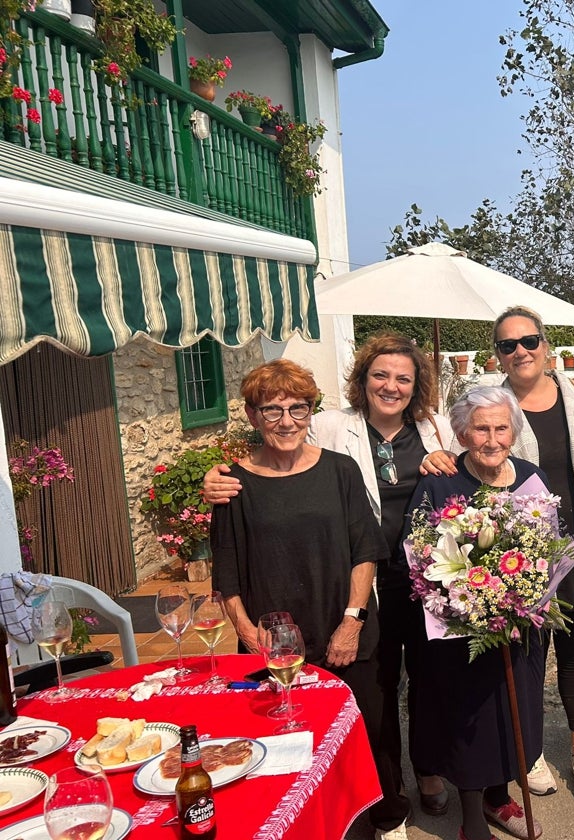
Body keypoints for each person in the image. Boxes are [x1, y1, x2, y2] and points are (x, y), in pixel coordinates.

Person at [204, 335, 454, 839]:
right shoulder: (233, 483)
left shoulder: (340, 469)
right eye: (271, 411)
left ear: (310, 412)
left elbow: (365, 550)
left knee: (369, 723)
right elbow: (226, 572)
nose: (286, 420)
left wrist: (351, 622)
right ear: (252, 417)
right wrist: (250, 634)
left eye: (298, 409)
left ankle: (386, 812)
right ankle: (300, 819)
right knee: (281, 731)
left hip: (344, 624)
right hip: (272, 639)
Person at [423, 306, 574, 803]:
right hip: (515, 557)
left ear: (546, 345)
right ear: (498, 356)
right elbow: (457, 450)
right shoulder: (490, 405)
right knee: (527, 656)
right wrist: (434, 455)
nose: (521, 352)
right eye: (508, 345)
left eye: (529, 340)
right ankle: (526, 753)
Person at [406, 387, 547, 840]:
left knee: (512, 711)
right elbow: (418, 553)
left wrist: (521, 598)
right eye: (480, 428)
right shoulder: (440, 482)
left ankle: (498, 797)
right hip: (459, 630)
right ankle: (471, 816)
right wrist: (467, 603)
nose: (491, 438)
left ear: (513, 431)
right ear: (463, 434)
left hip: (518, 626)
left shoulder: (530, 478)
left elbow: (551, 549)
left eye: (500, 427)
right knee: (470, 718)